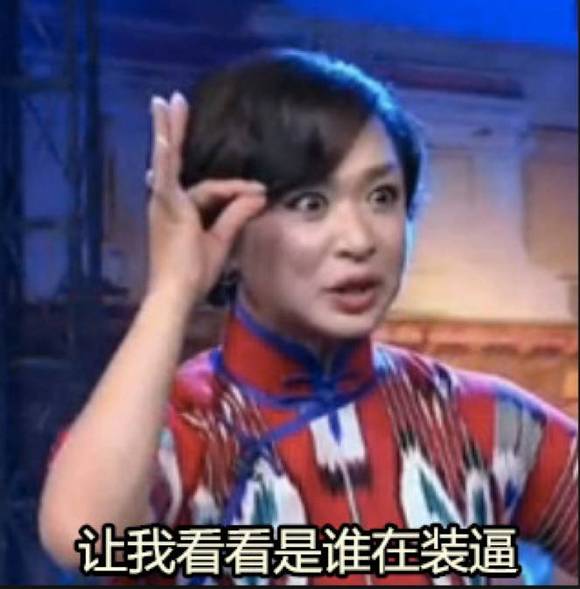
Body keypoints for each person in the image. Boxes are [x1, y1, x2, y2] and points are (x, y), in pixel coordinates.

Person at [38, 49, 578, 586]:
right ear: (226, 228)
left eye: (382, 196)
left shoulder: (481, 423)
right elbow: (86, 539)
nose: (359, 240)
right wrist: (171, 292)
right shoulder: (188, 434)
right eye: (310, 203)